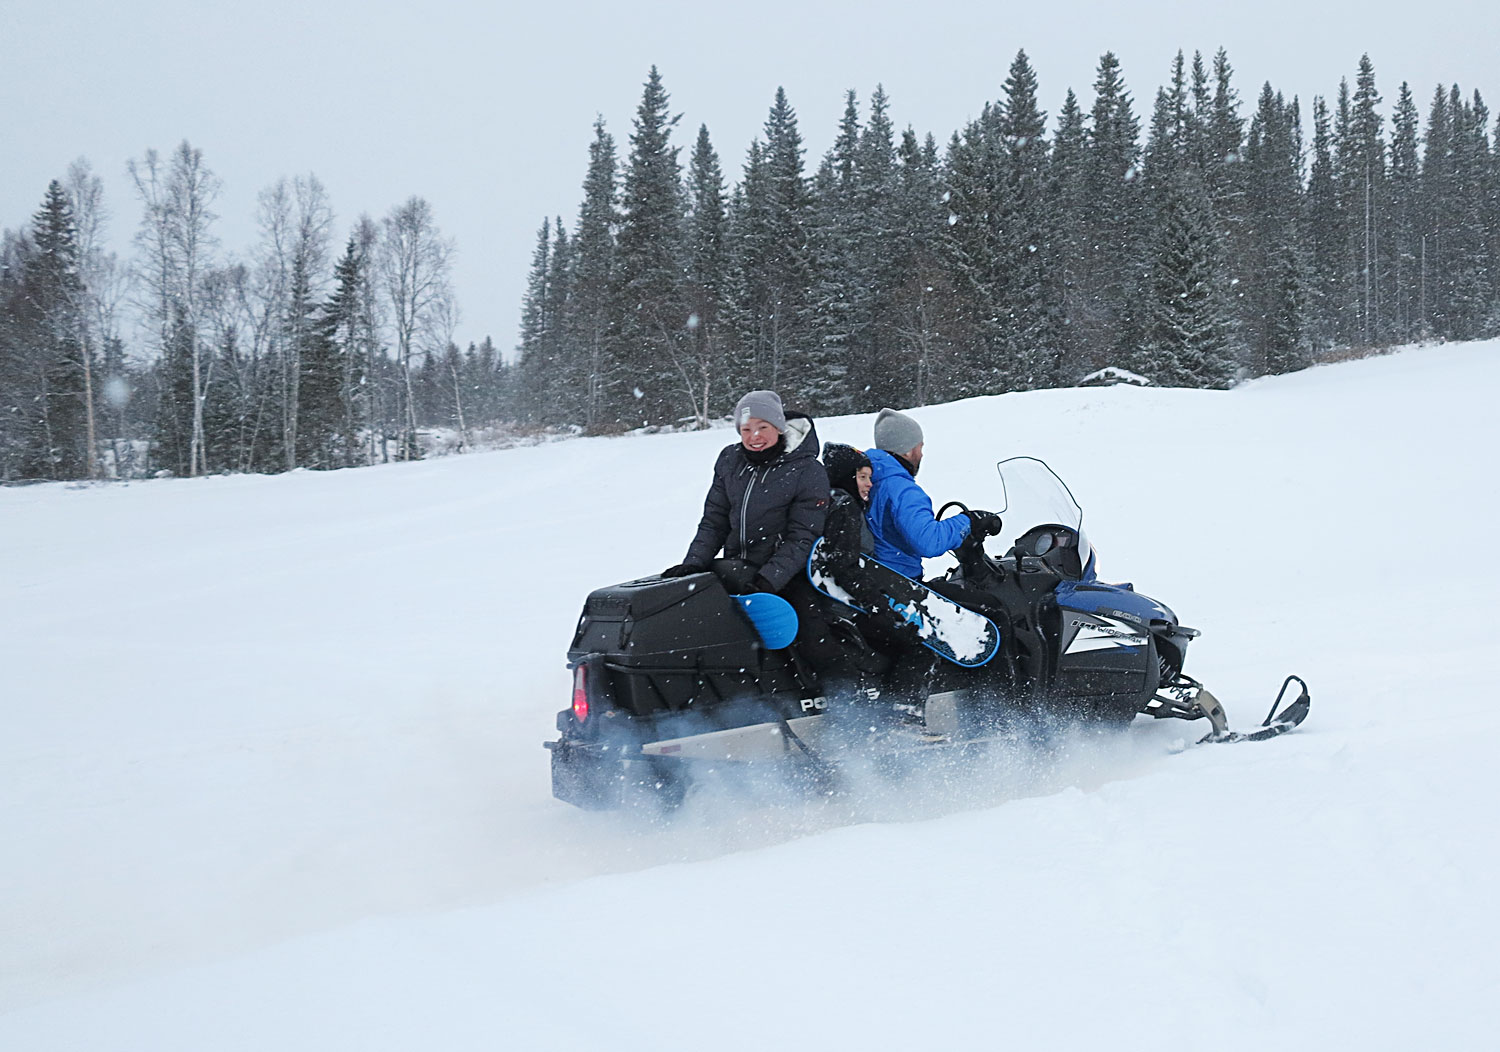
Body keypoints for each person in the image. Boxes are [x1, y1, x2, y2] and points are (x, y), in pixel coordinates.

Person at [661, 390, 844, 672]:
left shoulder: (807, 470)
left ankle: (849, 701)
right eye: (746, 429)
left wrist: (770, 578)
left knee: (813, 638)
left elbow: (803, 536)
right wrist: (695, 563)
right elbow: (715, 520)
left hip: (790, 573)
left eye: (763, 427)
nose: (754, 436)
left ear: (779, 428)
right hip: (737, 569)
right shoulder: (730, 461)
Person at [864, 407, 1002, 583]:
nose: (921, 454)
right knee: (990, 607)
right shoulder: (903, 490)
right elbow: (929, 542)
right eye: (919, 447)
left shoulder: (870, 478)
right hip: (900, 584)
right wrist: (970, 521)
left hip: (880, 576)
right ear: (906, 451)